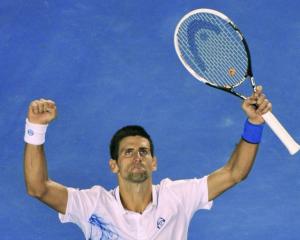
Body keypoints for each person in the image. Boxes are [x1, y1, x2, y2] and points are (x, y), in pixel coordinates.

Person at [24, 86, 271, 240]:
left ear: (154, 163)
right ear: (114, 165)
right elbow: (38, 188)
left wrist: (254, 124)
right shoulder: (92, 205)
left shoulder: (177, 196)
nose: (137, 157)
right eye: (128, 152)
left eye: (144, 151)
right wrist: (36, 127)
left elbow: (234, 173)